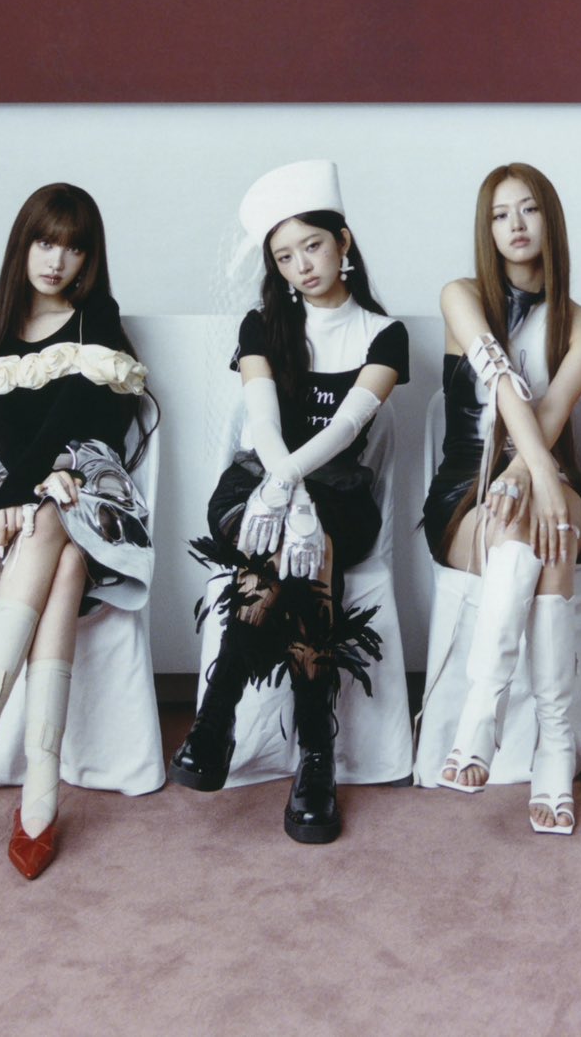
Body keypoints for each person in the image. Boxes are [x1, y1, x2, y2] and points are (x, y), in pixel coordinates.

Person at [0, 183, 154, 880]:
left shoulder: (96, 317)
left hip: (89, 487)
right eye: (46, 243)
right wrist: (20, 489)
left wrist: (38, 483)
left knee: (57, 513)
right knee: (63, 554)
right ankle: (40, 785)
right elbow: (1, 427)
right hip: (16, 500)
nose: (56, 261)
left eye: (74, 248)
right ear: (22, 244)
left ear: (89, 259)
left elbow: (87, 414)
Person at [171, 159, 406, 845]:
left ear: (344, 242)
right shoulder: (261, 326)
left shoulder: (383, 334)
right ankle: (314, 760)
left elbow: (347, 428)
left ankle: (220, 723)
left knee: (307, 553)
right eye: (284, 256)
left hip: (341, 493)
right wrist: (284, 492)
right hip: (256, 485)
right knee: (286, 551)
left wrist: (298, 497)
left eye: (313, 246)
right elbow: (264, 424)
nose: (302, 266)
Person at [421, 163, 581, 834]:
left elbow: (551, 414)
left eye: (528, 209)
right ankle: (545, 743)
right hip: (466, 489)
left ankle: (489, 721)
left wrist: (534, 476)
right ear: (487, 228)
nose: (516, 225)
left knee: (533, 521)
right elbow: (499, 380)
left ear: (549, 219)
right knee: (522, 528)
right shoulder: (461, 296)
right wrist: (535, 477)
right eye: (500, 215)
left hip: (546, 478)